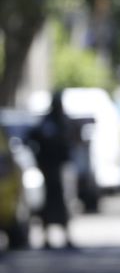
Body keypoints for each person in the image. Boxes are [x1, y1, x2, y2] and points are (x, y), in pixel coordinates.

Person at [28, 92, 77, 250]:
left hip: (61, 169)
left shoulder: (62, 121)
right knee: (49, 204)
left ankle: (66, 237)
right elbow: (33, 137)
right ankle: (47, 237)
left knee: (64, 203)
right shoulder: (48, 122)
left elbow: (70, 140)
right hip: (49, 169)